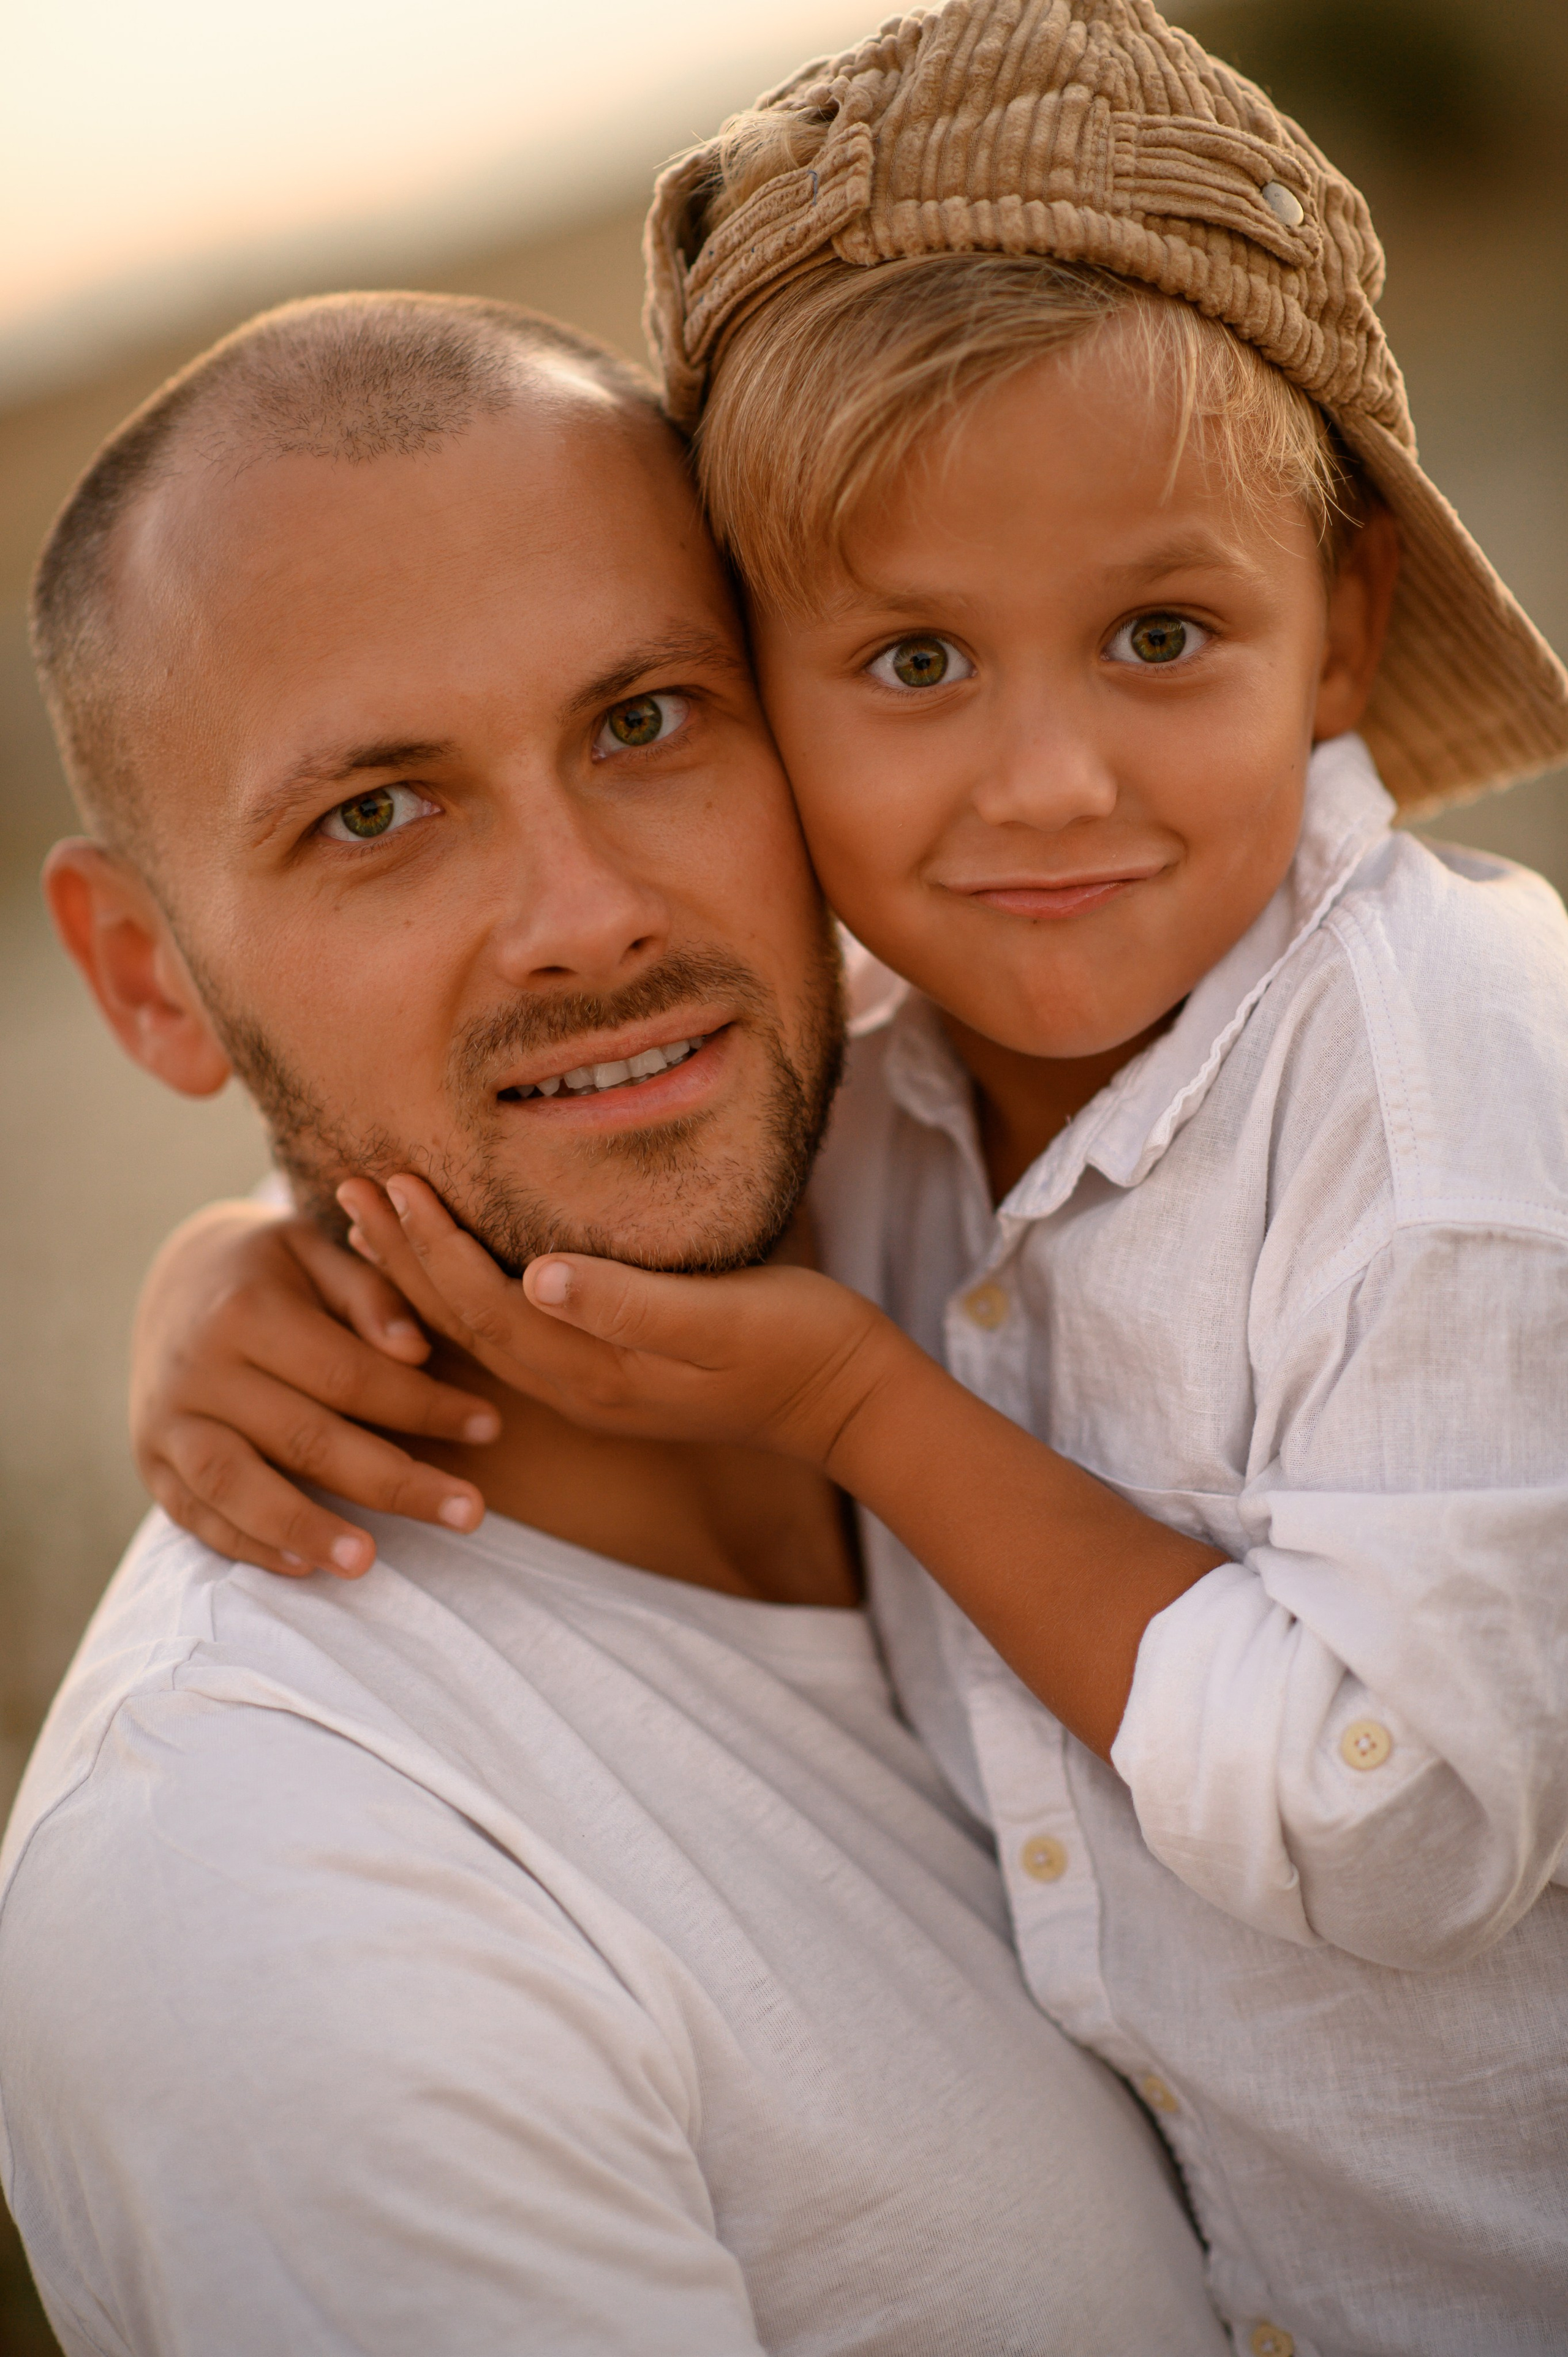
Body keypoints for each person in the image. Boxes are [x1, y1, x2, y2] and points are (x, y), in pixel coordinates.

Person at [121, 4, 1568, 2351]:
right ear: (774, 692)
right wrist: (229, 1268)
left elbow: (1389, 1819)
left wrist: (865, 1410)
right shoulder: (896, 1079)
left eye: (1163, 635)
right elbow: (577, 1180)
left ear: (1350, 630)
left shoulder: (1452, 1121)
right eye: (909, 658)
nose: (1047, 786)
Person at [0, 292, 1228, 2357]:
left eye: (646, 719)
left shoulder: (1091, 1190)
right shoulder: (269, 1888)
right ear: (149, 978)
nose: (590, 916)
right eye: (376, 814)